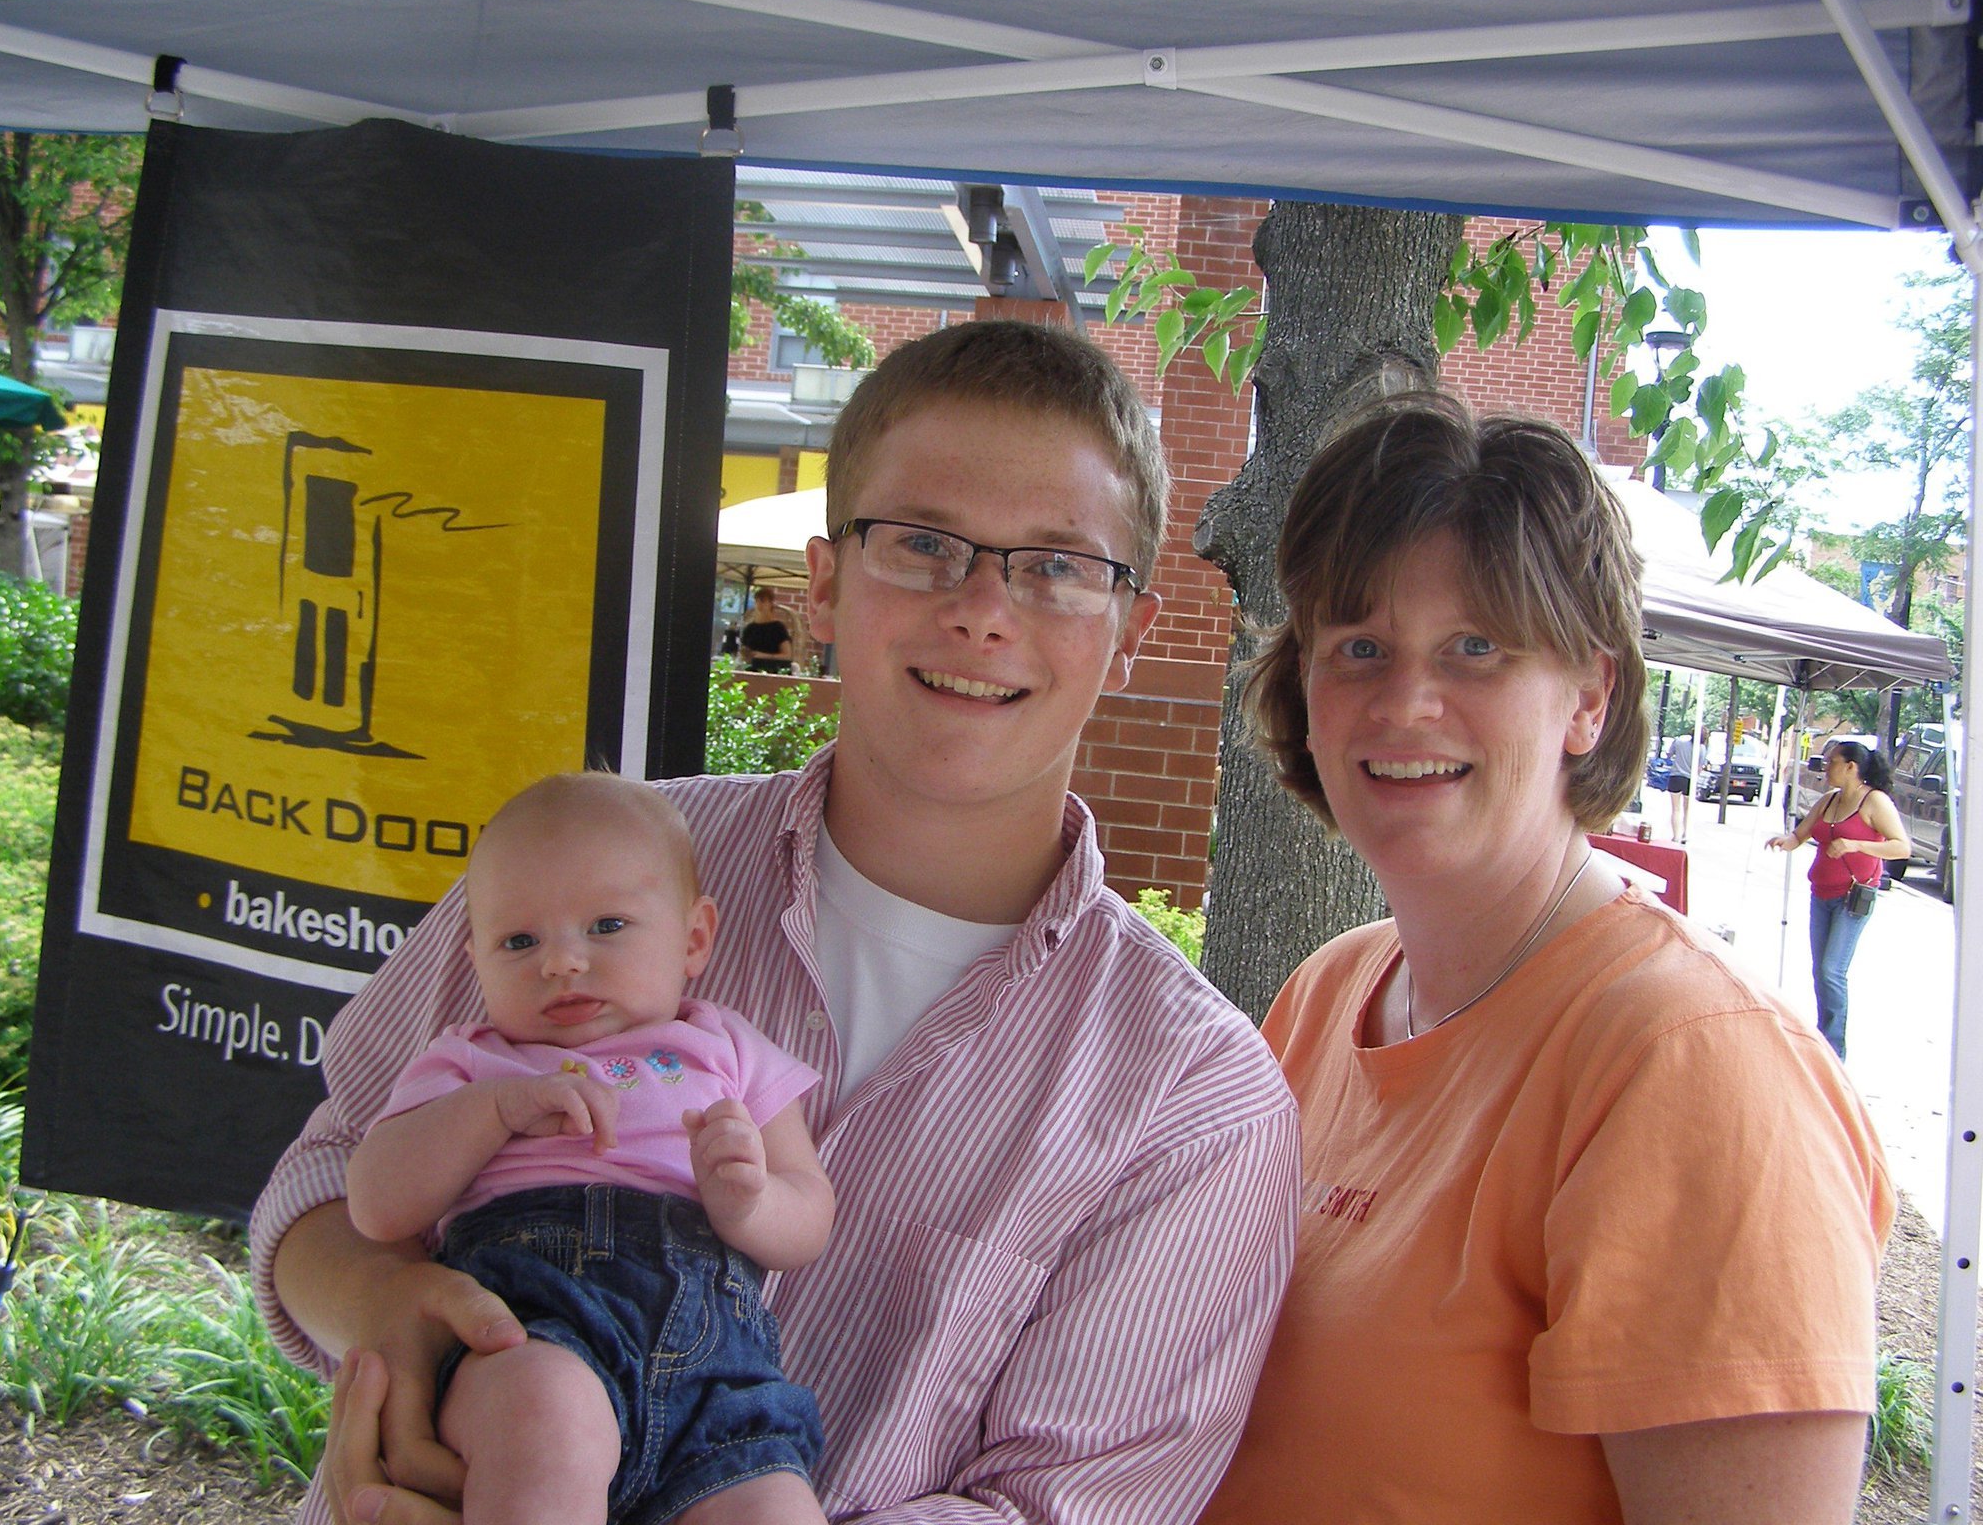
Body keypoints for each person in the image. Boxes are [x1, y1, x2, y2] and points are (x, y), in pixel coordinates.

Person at [249, 318, 1301, 1525]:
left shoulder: (1195, 1102)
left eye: (1057, 566)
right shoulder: (583, 874)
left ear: (1129, 634)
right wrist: (387, 1312)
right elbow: (326, 1173)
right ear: (825, 581)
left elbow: (1055, 1511)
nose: (982, 609)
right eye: (920, 543)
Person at [1199, 391, 1893, 1525]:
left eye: (1475, 648)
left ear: (1587, 696)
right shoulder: (1331, 992)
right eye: (1358, 646)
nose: (1404, 701)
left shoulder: (1690, 1065)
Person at [345, 772, 830, 1525]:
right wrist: (491, 1113)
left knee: (778, 1508)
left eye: (606, 926)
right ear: (475, 961)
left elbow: (811, 1215)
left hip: (719, 1375)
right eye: (520, 940)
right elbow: (376, 1205)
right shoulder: (470, 1062)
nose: (561, 961)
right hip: (540, 1326)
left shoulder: (728, 1049)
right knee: (546, 1423)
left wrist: (751, 1200)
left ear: (695, 938)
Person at [1766, 739, 1909, 1061]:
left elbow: (1902, 847)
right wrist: (1784, 841)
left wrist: (1857, 845)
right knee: (1820, 969)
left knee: (1833, 969)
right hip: (1822, 893)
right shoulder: (1829, 799)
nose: (1826, 767)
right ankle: (1822, 1037)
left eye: (1832, 762)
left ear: (1851, 767)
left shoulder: (1875, 802)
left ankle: (1834, 1050)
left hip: (1853, 896)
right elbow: (1800, 834)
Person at [738, 586, 802, 672]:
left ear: (770, 603)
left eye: (763, 601)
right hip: (751, 670)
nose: (759, 604)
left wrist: (764, 656)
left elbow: (787, 655)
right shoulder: (750, 628)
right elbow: (743, 653)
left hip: (773, 671)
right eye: (757, 601)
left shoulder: (778, 628)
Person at [1664, 726, 1695, 842]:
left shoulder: (1678, 742)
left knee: (1676, 809)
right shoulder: (1701, 749)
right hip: (1690, 779)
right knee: (1687, 809)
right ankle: (1685, 834)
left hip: (1676, 776)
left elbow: (1669, 754)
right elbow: (1699, 768)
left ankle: (1675, 836)